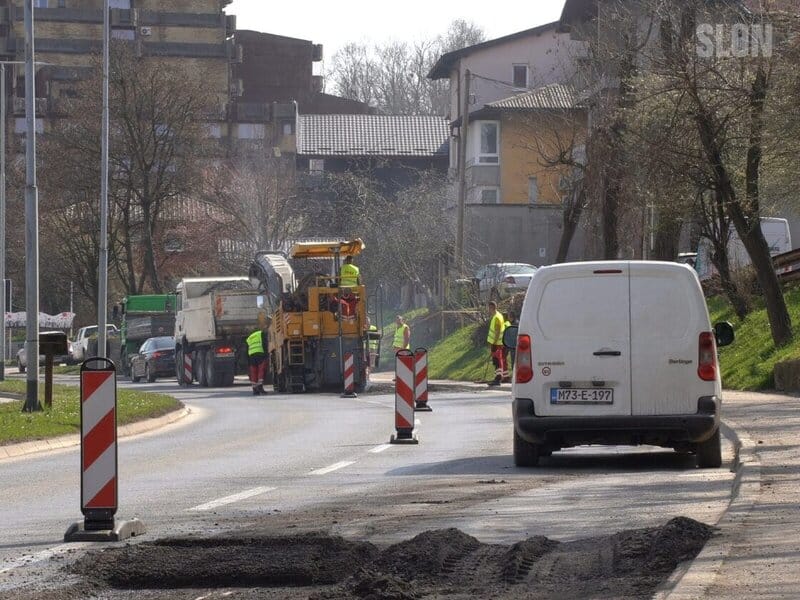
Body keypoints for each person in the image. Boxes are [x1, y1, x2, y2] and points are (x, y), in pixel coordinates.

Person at [486, 301, 507, 386]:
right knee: (497, 361)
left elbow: (497, 331)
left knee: (497, 361)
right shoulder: (498, 316)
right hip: (497, 343)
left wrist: (494, 343)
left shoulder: (497, 317)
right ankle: (498, 377)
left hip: (496, 343)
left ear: (492, 307)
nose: (488, 310)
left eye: (489, 308)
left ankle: (498, 378)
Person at [246, 327, 269, 395]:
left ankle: (255, 389)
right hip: (260, 354)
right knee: (261, 370)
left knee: (254, 372)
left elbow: (247, 349)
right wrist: (266, 354)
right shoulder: (260, 334)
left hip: (251, 356)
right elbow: (265, 344)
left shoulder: (249, 338)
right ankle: (260, 386)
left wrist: (248, 360)